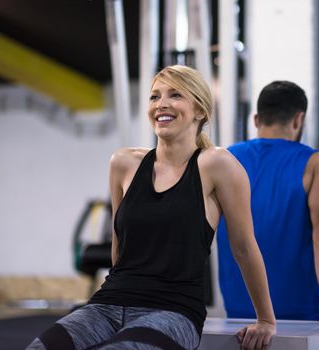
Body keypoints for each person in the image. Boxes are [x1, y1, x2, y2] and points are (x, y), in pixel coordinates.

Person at [26, 65, 276, 350]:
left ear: (200, 111)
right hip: (107, 304)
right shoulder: (123, 163)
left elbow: (244, 246)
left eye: (175, 95)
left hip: (173, 311)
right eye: (154, 96)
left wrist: (266, 319)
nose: (162, 104)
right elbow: (119, 245)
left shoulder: (217, 164)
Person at [217, 80, 319, 324]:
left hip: (239, 307)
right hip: (299, 310)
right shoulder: (315, 163)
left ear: (256, 119)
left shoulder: (225, 159)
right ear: (298, 120)